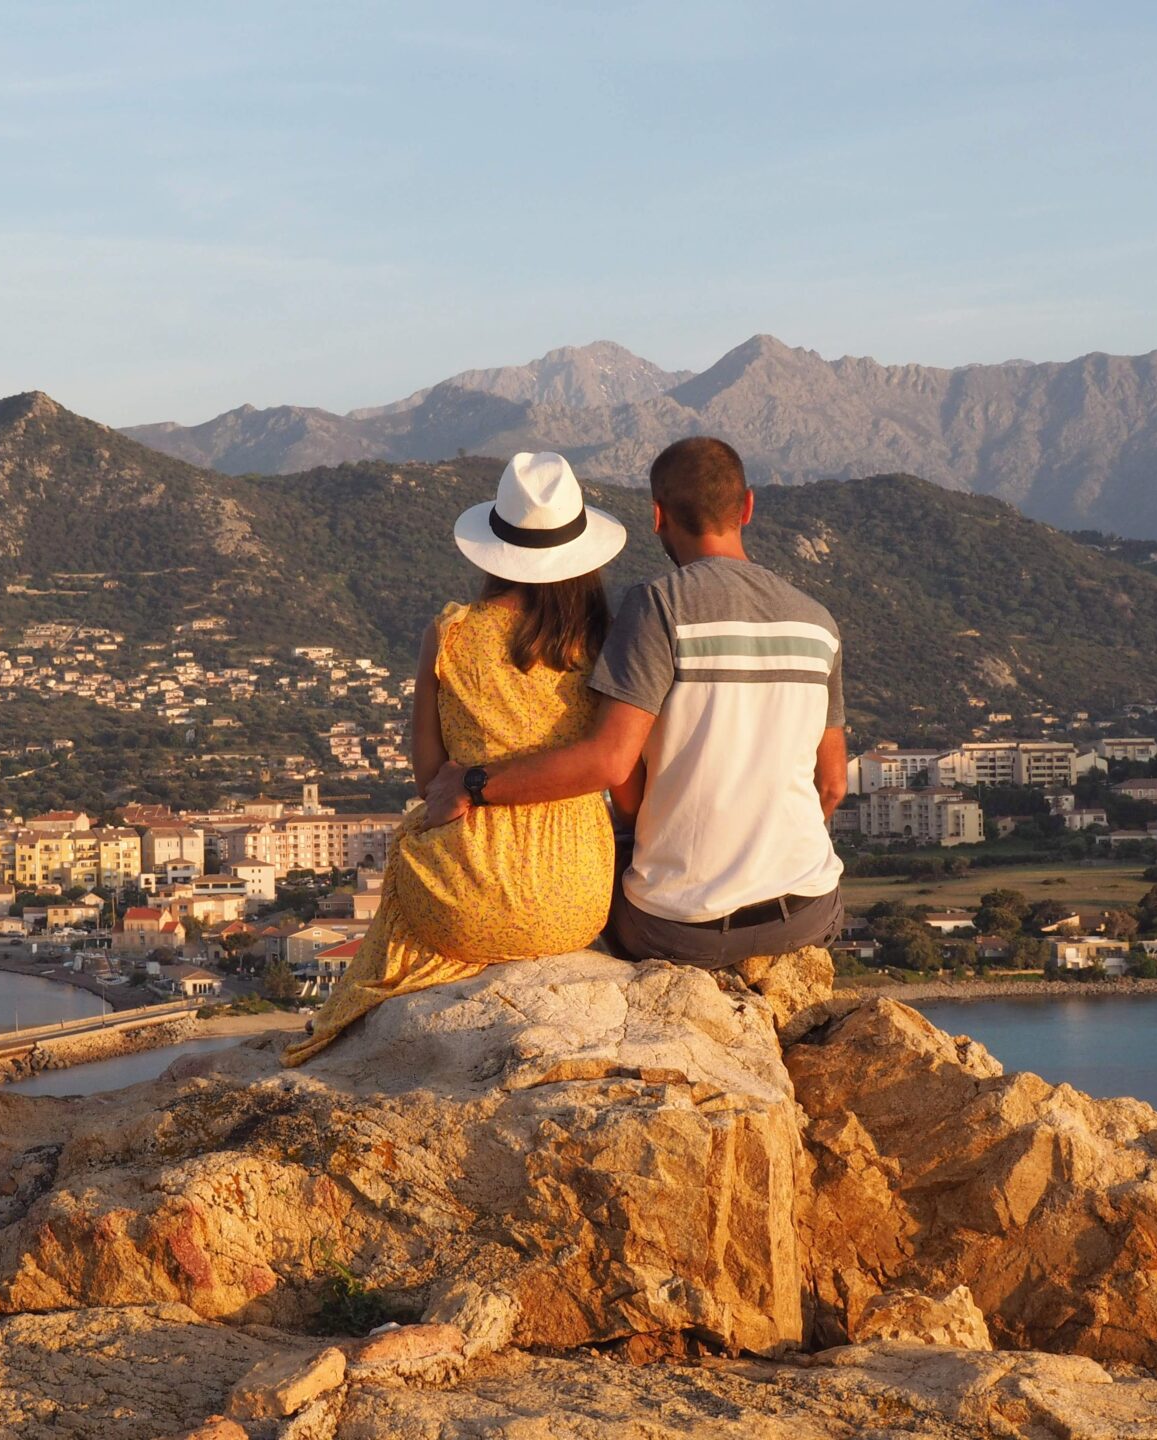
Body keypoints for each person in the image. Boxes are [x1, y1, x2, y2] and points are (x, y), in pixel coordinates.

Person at [424, 436, 846, 1005]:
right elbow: (833, 783)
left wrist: (473, 783)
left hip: (680, 928)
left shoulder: (659, 606)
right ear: (747, 507)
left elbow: (613, 763)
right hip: (808, 912)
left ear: (656, 515)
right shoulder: (818, 623)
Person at [283, 452, 632, 1066]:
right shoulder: (607, 640)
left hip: (464, 903)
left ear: (495, 547)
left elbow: (427, 779)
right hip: (576, 903)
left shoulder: (451, 635)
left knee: (407, 844)